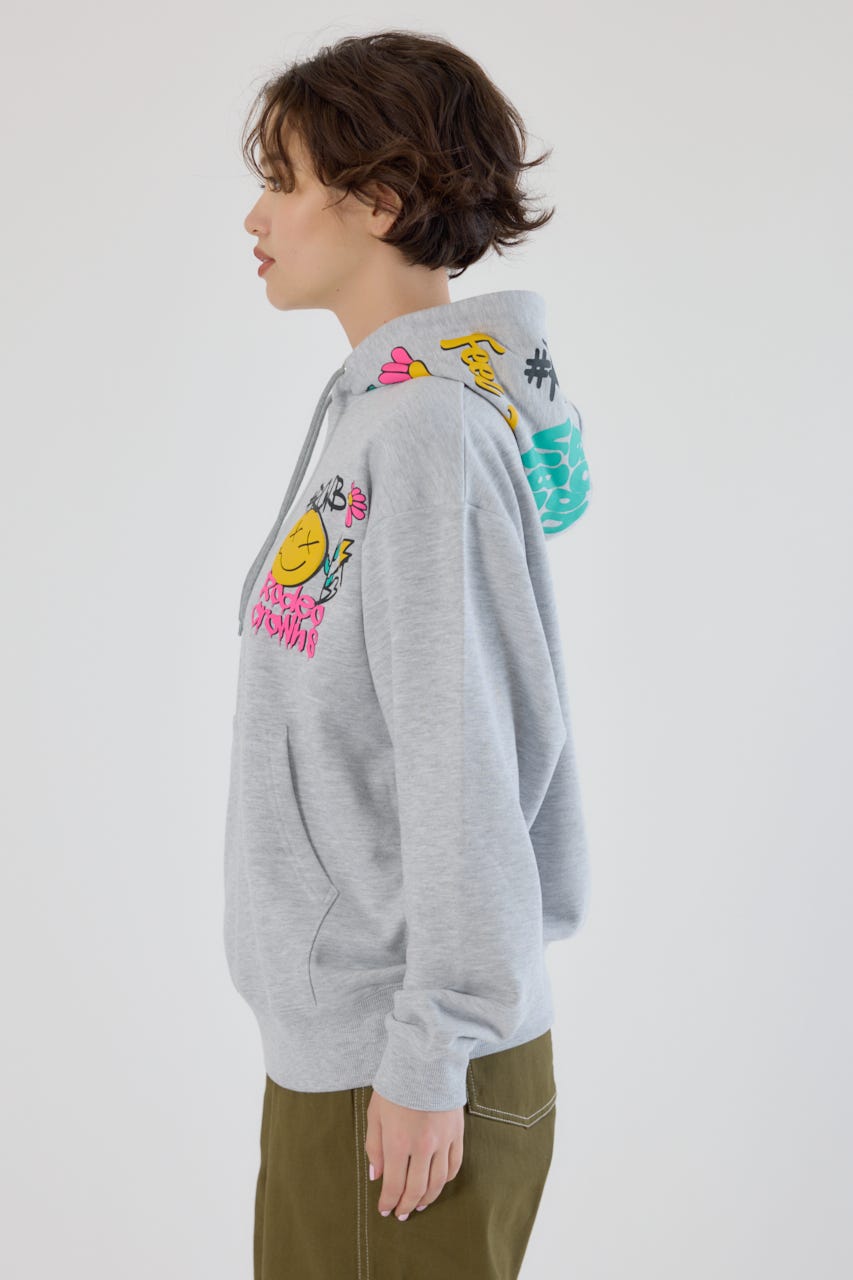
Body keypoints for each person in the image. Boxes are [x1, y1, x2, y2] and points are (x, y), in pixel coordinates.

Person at [225, 27, 593, 1280]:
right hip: (356, 1051)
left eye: (282, 179)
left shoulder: (427, 432)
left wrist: (433, 1046)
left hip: (408, 1066)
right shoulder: (378, 416)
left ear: (377, 199)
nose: (255, 215)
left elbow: (462, 754)